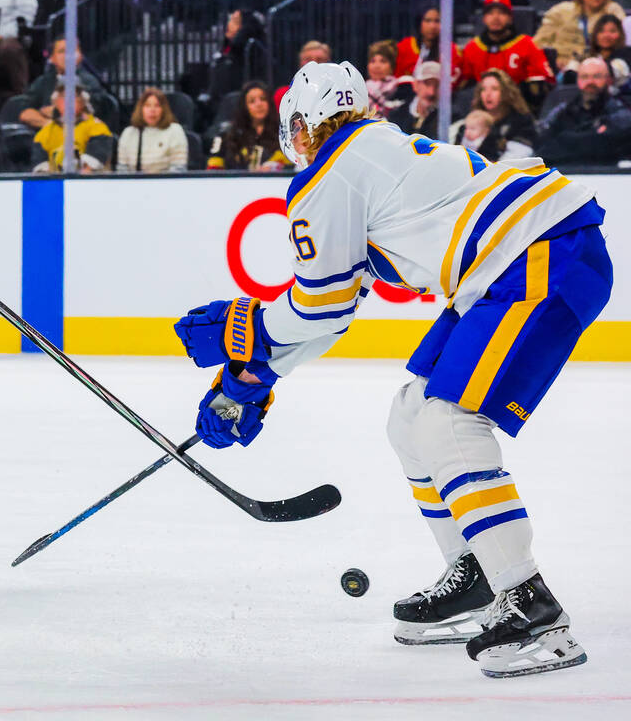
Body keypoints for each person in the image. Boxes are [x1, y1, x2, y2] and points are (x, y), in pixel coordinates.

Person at [173, 59, 608, 679]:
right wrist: (253, 375)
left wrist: (248, 332)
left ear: (308, 121)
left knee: (446, 425)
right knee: (412, 416)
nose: (292, 136)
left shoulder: (332, 173)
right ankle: (480, 575)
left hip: (535, 256)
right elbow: (333, 311)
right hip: (520, 257)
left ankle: (532, 605)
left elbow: (318, 304)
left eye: (295, 123)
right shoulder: (377, 156)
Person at [461, 0, 555, 113]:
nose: (496, 18)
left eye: (501, 13)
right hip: (482, 110)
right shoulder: (472, 47)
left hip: (519, 110)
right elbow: (465, 86)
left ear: (510, 18)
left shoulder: (528, 44)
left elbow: (542, 84)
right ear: (484, 18)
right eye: (490, 13)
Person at [537, 57, 631, 167]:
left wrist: (566, 139)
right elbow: (542, 146)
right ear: (578, 80)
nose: (590, 82)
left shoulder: (621, 112)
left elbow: (618, 146)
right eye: (584, 77)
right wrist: (595, 138)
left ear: (609, 80)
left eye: (597, 76)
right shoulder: (561, 111)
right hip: (566, 175)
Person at [534, 0, 625, 73]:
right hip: (558, 64)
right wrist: (552, 60)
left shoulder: (612, 10)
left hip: (598, 66)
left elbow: (621, 41)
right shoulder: (561, 11)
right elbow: (539, 42)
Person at [18, 36, 100, 130]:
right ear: (52, 58)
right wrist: (51, 126)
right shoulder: (43, 82)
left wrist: (54, 112)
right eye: (62, 51)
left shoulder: (90, 82)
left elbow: (87, 114)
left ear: (80, 56)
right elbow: (25, 113)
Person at [30, 85, 114, 173]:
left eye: (74, 96)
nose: (68, 101)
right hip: (56, 182)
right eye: (62, 96)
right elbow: (40, 170)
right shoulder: (45, 132)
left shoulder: (97, 127)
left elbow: (91, 166)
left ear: (83, 102)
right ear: (55, 102)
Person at [207, 81, 287, 171]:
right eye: (252, 101)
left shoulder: (284, 135)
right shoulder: (226, 136)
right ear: (244, 107)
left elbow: (295, 166)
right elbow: (213, 170)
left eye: (263, 99)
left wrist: (276, 166)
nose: (259, 104)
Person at [460, 69, 539, 160]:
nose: (488, 94)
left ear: (506, 92)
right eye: (483, 89)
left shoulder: (521, 121)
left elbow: (521, 153)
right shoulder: (472, 119)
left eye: (494, 89)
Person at [116, 87, 188, 173]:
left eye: (157, 105)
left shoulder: (175, 131)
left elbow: (178, 169)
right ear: (141, 109)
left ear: (164, 109)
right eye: (147, 105)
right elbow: (122, 170)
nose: (152, 110)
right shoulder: (128, 133)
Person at [394, 6, 462, 86]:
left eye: (437, 21)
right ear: (419, 23)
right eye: (427, 20)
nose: (432, 26)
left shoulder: (451, 50)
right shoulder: (404, 47)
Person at [387, 61, 441, 136]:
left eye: (437, 86)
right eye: (427, 83)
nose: (431, 92)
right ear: (415, 85)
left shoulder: (447, 120)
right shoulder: (397, 116)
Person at [274, 40, 331, 110]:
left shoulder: (339, 94)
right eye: (308, 59)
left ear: (328, 63)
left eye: (320, 59)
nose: (314, 63)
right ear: (300, 63)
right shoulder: (283, 95)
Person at [586, 14, 631, 88]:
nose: (606, 35)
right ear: (595, 35)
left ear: (620, 34)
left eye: (612, 31)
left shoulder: (627, 54)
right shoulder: (588, 54)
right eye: (601, 31)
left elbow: (616, 70)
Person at [364, 40, 403, 117]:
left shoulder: (400, 89)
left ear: (391, 66)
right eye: (373, 61)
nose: (377, 66)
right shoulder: (361, 91)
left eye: (383, 61)